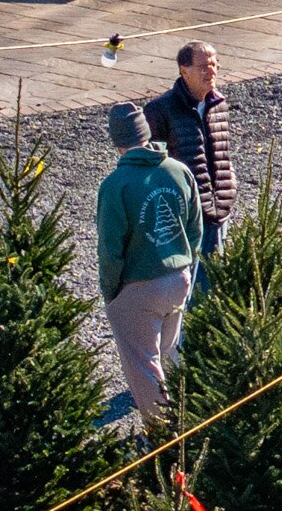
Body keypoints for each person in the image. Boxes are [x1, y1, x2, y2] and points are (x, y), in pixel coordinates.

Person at [96, 103, 202, 421]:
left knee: (144, 365)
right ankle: (187, 416)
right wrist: (184, 265)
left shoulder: (115, 185)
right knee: (170, 354)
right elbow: (195, 228)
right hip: (179, 278)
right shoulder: (178, 171)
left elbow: (110, 249)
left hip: (138, 285)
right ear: (147, 133)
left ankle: (162, 434)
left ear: (117, 141)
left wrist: (111, 292)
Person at [145, 40, 237, 276]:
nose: (212, 72)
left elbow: (223, 154)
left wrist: (230, 187)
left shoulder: (218, 105)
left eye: (214, 65)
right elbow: (151, 166)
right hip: (185, 217)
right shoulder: (160, 110)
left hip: (219, 209)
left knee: (214, 281)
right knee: (187, 284)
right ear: (184, 71)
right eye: (204, 67)